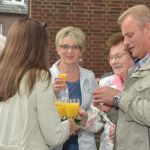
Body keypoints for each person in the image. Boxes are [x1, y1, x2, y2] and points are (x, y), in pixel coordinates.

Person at [0, 18, 80, 150]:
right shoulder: (39, 77)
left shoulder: (3, 74)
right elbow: (54, 136)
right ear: (39, 46)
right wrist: (77, 122)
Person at [93, 4, 150, 150]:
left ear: (147, 29)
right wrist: (111, 110)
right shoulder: (136, 68)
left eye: (129, 35)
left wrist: (118, 98)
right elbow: (134, 122)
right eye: (124, 36)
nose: (125, 42)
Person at [83, 32, 133, 150]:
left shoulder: (144, 82)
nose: (113, 62)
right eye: (111, 57)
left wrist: (124, 130)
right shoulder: (105, 83)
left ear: (132, 54)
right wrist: (80, 119)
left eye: (118, 56)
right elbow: (97, 124)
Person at [50, 26, 97, 150]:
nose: (69, 51)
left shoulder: (89, 76)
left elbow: (97, 112)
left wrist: (83, 121)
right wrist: (51, 93)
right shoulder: (46, 76)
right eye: (65, 46)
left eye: (75, 47)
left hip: (83, 143)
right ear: (57, 49)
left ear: (81, 50)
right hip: (55, 143)